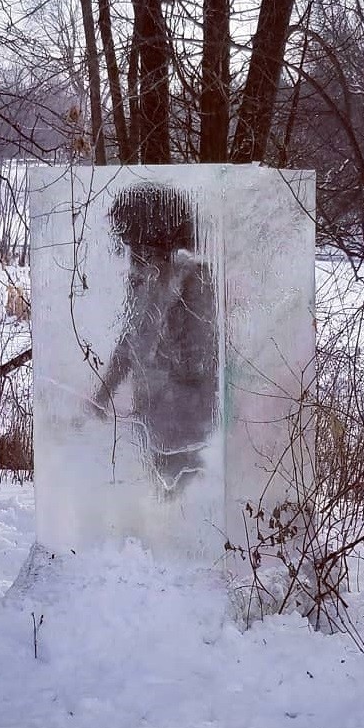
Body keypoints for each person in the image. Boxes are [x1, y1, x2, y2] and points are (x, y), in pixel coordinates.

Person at [92, 183, 218, 496]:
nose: (128, 252)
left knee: (181, 495)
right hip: (155, 414)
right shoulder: (145, 279)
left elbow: (200, 358)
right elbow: (132, 338)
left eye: (131, 240)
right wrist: (103, 393)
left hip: (185, 418)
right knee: (161, 494)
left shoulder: (194, 280)